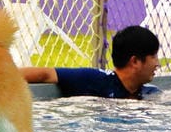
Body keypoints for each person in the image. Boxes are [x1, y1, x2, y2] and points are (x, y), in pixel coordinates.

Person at [21, 25, 160, 99]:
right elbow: (47, 74)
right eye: (153, 57)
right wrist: (1, 75)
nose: (157, 63)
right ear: (135, 61)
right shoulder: (95, 80)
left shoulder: (150, 93)